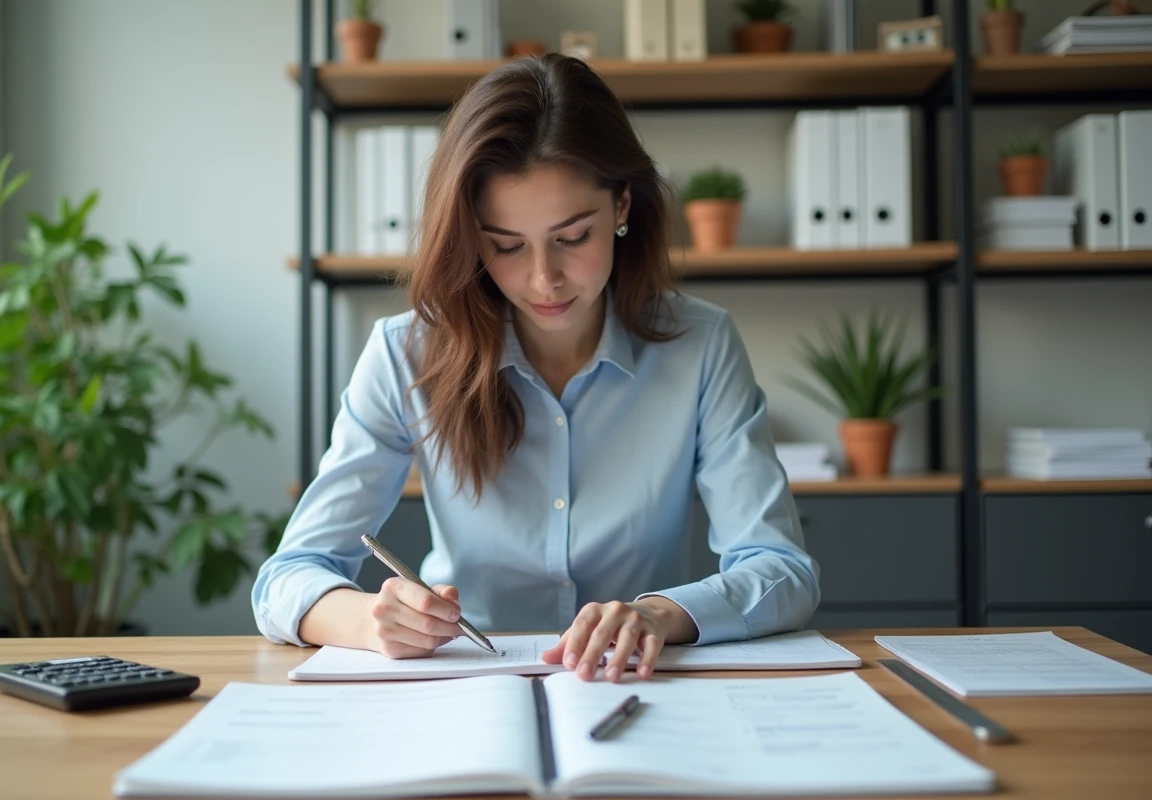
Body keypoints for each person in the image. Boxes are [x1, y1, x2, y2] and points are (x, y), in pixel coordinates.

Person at [252, 53, 820, 682]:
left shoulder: (701, 345)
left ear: (622, 206)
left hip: (634, 684)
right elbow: (285, 580)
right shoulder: (403, 353)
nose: (544, 279)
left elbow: (782, 570)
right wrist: (368, 620)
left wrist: (659, 614)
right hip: (466, 688)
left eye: (573, 237)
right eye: (506, 246)